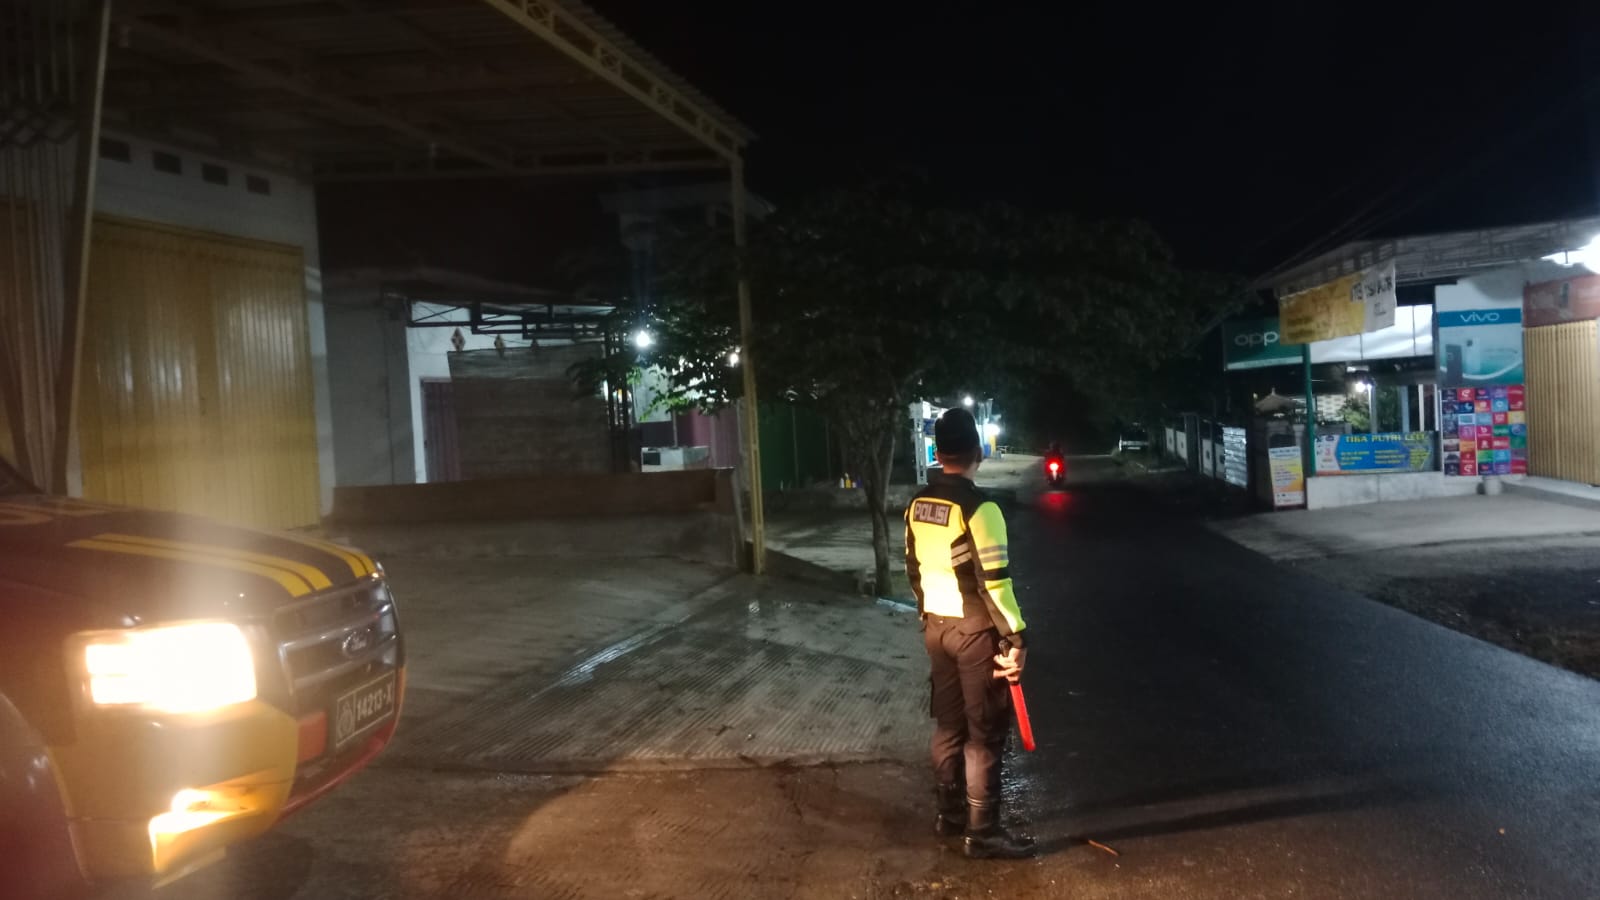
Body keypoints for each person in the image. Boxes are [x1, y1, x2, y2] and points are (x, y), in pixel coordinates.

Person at [904, 407, 1034, 859]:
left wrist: (927, 616)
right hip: (976, 632)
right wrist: (1016, 638)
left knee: (948, 724)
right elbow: (995, 583)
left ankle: (950, 815)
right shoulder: (981, 509)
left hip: (936, 629)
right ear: (977, 451)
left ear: (938, 453)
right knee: (985, 731)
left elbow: (913, 569)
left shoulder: (918, 505)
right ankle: (983, 833)